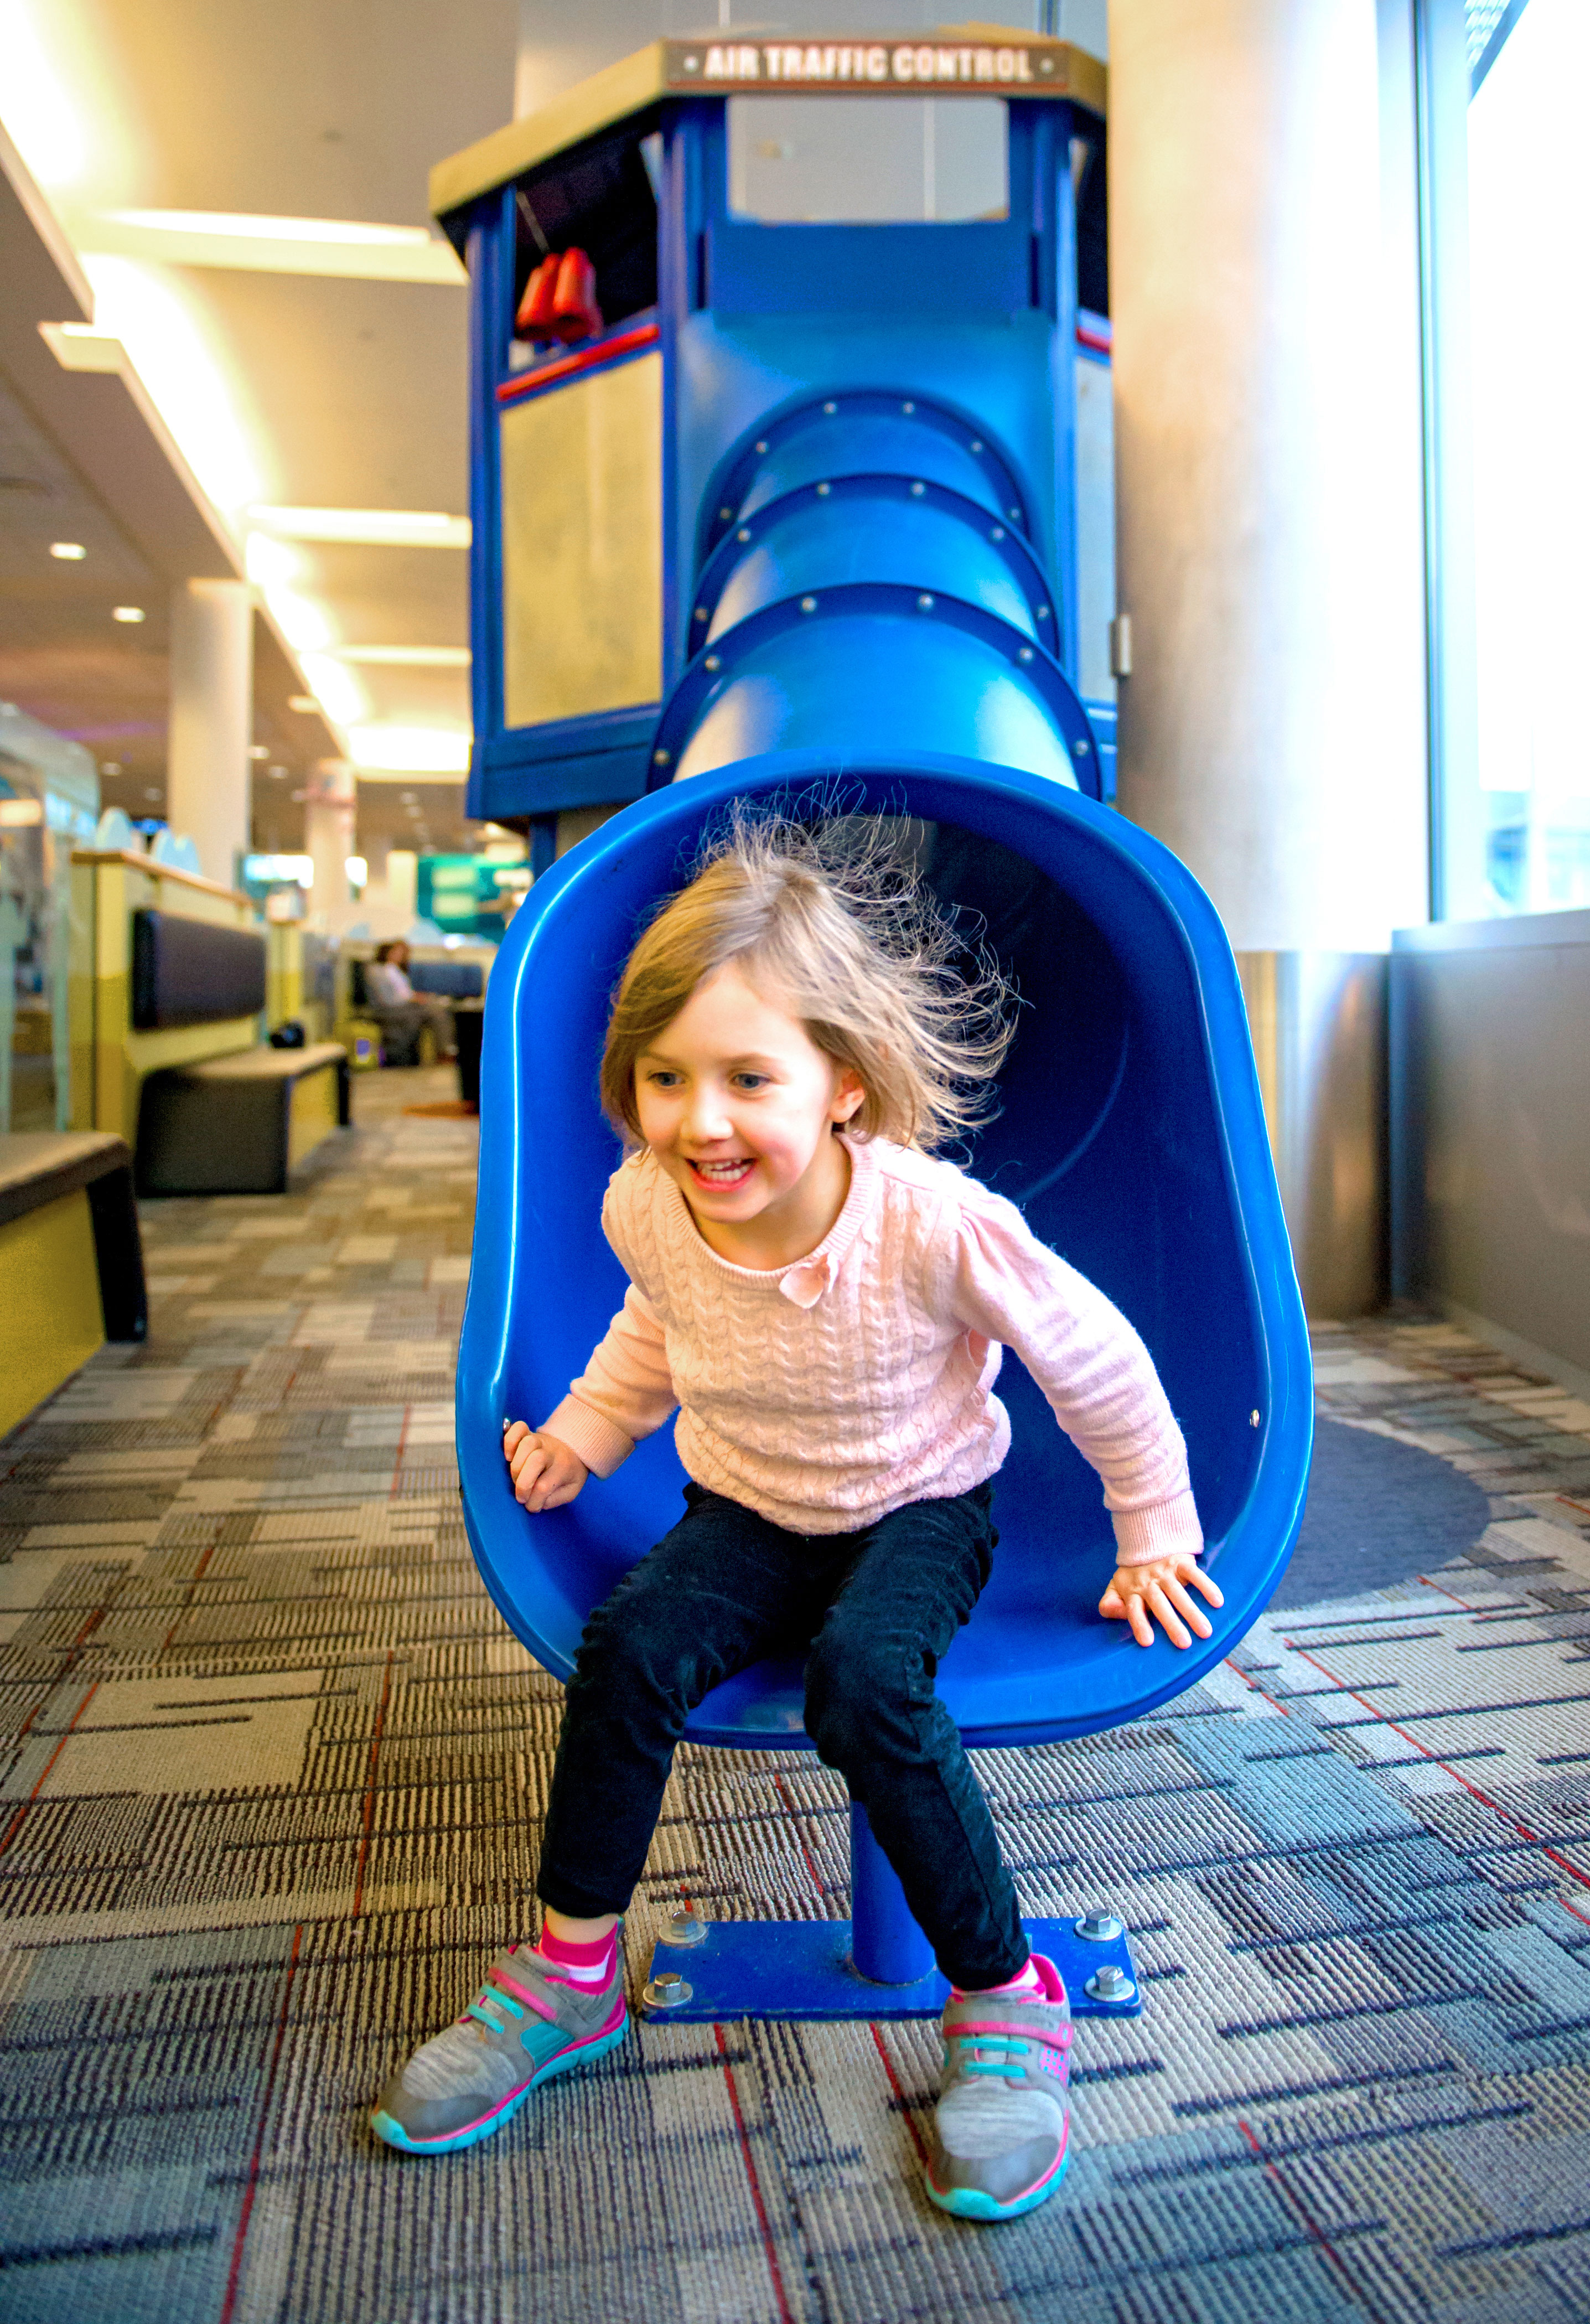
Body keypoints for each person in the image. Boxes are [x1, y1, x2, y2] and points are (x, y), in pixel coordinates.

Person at [372, 815, 1220, 2219]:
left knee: (865, 1684)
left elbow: (1095, 1357)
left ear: (842, 1084)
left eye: (746, 1078)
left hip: (918, 1505)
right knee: (631, 1647)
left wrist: (1153, 1526)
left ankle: (1005, 1996)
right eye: (665, 1078)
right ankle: (571, 1974)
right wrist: (585, 1435)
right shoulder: (651, 1203)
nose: (701, 1120)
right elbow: (655, 1328)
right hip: (750, 1506)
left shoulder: (929, 1221)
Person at [362, 938, 454, 1063]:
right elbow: (388, 1000)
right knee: (437, 1013)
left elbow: (403, 992)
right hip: (388, 1010)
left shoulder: (395, 970)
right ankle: (445, 1053)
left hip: (403, 1006)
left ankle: (445, 1051)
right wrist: (413, 999)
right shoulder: (377, 971)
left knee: (436, 1008)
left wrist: (416, 997)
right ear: (387, 952)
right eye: (397, 952)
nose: (401, 956)